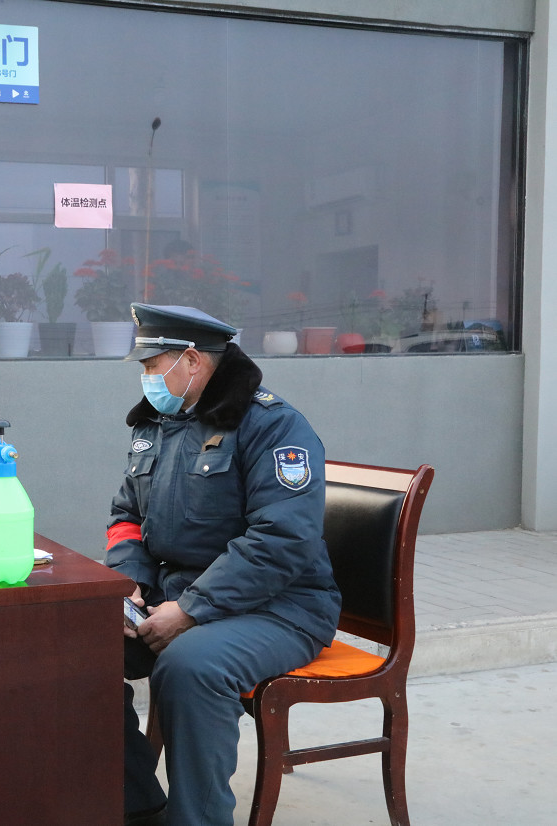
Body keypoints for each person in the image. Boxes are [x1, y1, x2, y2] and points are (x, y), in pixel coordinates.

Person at [107, 304, 342, 826]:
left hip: (281, 607)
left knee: (192, 665)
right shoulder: (159, 424)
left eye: (153, 365)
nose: (146, 378)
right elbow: (127, 517)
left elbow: (283, 539)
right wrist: (130, 584)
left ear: (191, 361)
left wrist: (191, 610)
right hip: (178, 595)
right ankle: (137, 806)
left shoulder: (271, 425)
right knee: (76, 647)